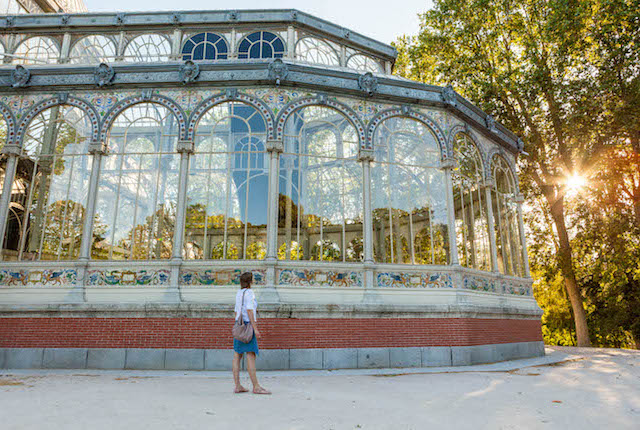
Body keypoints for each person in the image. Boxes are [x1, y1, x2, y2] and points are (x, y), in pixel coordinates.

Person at [232, 272, 271, 395]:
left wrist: (238, 325)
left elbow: (236, 312)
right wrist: (255, 329)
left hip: (239, 326)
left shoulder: (239, 293)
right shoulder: (250, 293)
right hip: (248, 326)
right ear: (250, 282)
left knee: (237, 355)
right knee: (251, 355)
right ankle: (256, 386)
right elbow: (249, 310)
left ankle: (238, 385)